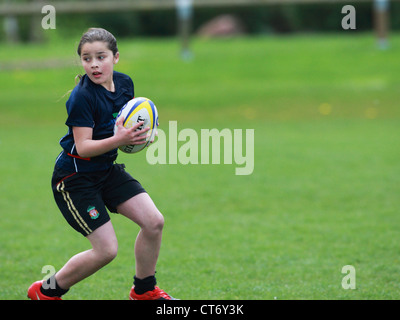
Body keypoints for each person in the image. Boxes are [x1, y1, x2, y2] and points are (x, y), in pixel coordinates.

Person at [27, 28, 175, 300]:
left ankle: (144, 291)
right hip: (75, 178)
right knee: (106, 250)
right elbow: (84, 147)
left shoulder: (126, 84)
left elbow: (126, 128)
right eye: (86, 58)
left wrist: (143, 137)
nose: (94, 64)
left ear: (115, 57)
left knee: (154, 222)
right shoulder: (82, 97)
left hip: (106, 170)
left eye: (100, 57)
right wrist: (121, 138)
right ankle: (45, 292)